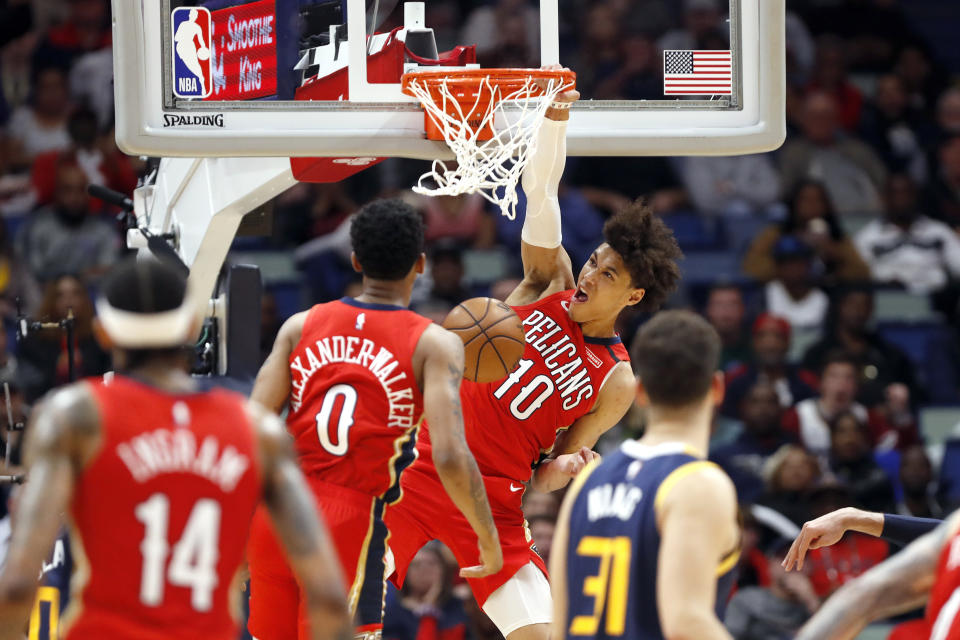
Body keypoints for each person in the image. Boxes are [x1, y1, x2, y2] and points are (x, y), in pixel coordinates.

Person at [385, 81, 683, 640]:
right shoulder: (551, 281)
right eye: (595, 262)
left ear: (634, 297)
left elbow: (543, 479)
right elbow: (539, 189)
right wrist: (555, 119)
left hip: (492, 502)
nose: (591, 276)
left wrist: (565, 470)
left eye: (609, 275)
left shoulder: (615, 381)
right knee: (337, 610)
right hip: (419, 466)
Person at [0, 257, 351, 640]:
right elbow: (330, 597)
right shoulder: (258, 430)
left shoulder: (74, 418)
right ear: (188, 327)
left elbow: (18, 585)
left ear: (102, 333)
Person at [248, 199, 501, 640]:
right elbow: (449, 455)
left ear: (355, 260)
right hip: (351, 519)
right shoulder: (433, 344)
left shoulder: (299, 325)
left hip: (278, 510)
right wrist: (488, 535)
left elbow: (248, 430)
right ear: (420, 264)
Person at [550, 310, 739, 640]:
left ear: (639, 391)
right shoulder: (697, 484)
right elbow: (686, 624)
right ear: (717, 387)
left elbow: (560, 618)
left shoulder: (586, 482)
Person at [742, 180, 870, 284]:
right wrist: (790, 263)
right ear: (794, 203)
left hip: (829, 297)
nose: (812, 206)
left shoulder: (836, 237)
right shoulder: (775, 233)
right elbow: (752, 268)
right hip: (784, 295)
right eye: (805, 200)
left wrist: (831, 251)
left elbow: (861, 272)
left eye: (818, 200)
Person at [855, 172, 960, 295]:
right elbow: (861, 275)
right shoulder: (868, 237)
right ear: (884, 198)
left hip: (937, 299)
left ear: (916, 196)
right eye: (895, 193)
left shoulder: (939, 231)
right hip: (889, 299)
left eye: (907, 193)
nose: (902, 199)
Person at [15, 163, 119, 283]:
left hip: (91, 296)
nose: (74, 197)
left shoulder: (104, 230)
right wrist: (81, 275)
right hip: (44, 296)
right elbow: (31, 272)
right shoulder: (36, 226)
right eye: (67, 190)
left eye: (80, 190)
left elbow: (109, 271)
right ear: (56, 192)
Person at [711, 381, 795, 503]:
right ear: (743, 408)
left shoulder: (794, 454)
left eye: (770, 402)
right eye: (755, 402)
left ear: (781, 409)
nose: (763, 409)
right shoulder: (721, 457)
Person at [721, 313, 818, 419]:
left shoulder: (806, 381)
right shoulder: (735, 380)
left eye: (778, 336)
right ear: (753, 342)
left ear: (788, 342)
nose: (770, 344)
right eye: (762, 336)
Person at [382, 544, 470, 640]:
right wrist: (429, 610)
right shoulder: (391, 613)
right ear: (405, 573)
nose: (424, 570)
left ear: (444, 569)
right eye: (416, 565)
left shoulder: (461, 607)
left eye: (431, 563)